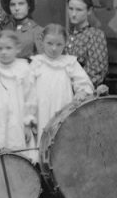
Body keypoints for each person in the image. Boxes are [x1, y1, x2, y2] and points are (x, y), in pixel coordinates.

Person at [28, 24, 95, 163]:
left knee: (61, 140)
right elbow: (28, 90)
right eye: (50, 43)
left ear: (65, 43)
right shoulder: (36, 63)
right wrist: (30, 116)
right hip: (42, 109)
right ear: (42, 41)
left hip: (62, 107)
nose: (54, 48)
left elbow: (84, 83)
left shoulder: (69, 62)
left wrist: (82, 91)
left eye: (59, 44)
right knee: (42, 141)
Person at [0, 31, 37, 159]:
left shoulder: (23, 68)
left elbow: (30, 97)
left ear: (17, 48)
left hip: (16, 118)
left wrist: (27, 123)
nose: (4, 52)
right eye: (0, 48)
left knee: (15, 150)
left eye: (8, 48)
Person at [64, 0, 109, 87]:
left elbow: (96, 71)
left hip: (83, 88)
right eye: (71, 9)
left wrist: (75, 87)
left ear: (89, 11)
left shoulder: (95, 35)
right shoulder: (64, 35)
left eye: (79, 10)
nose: (73, 14)